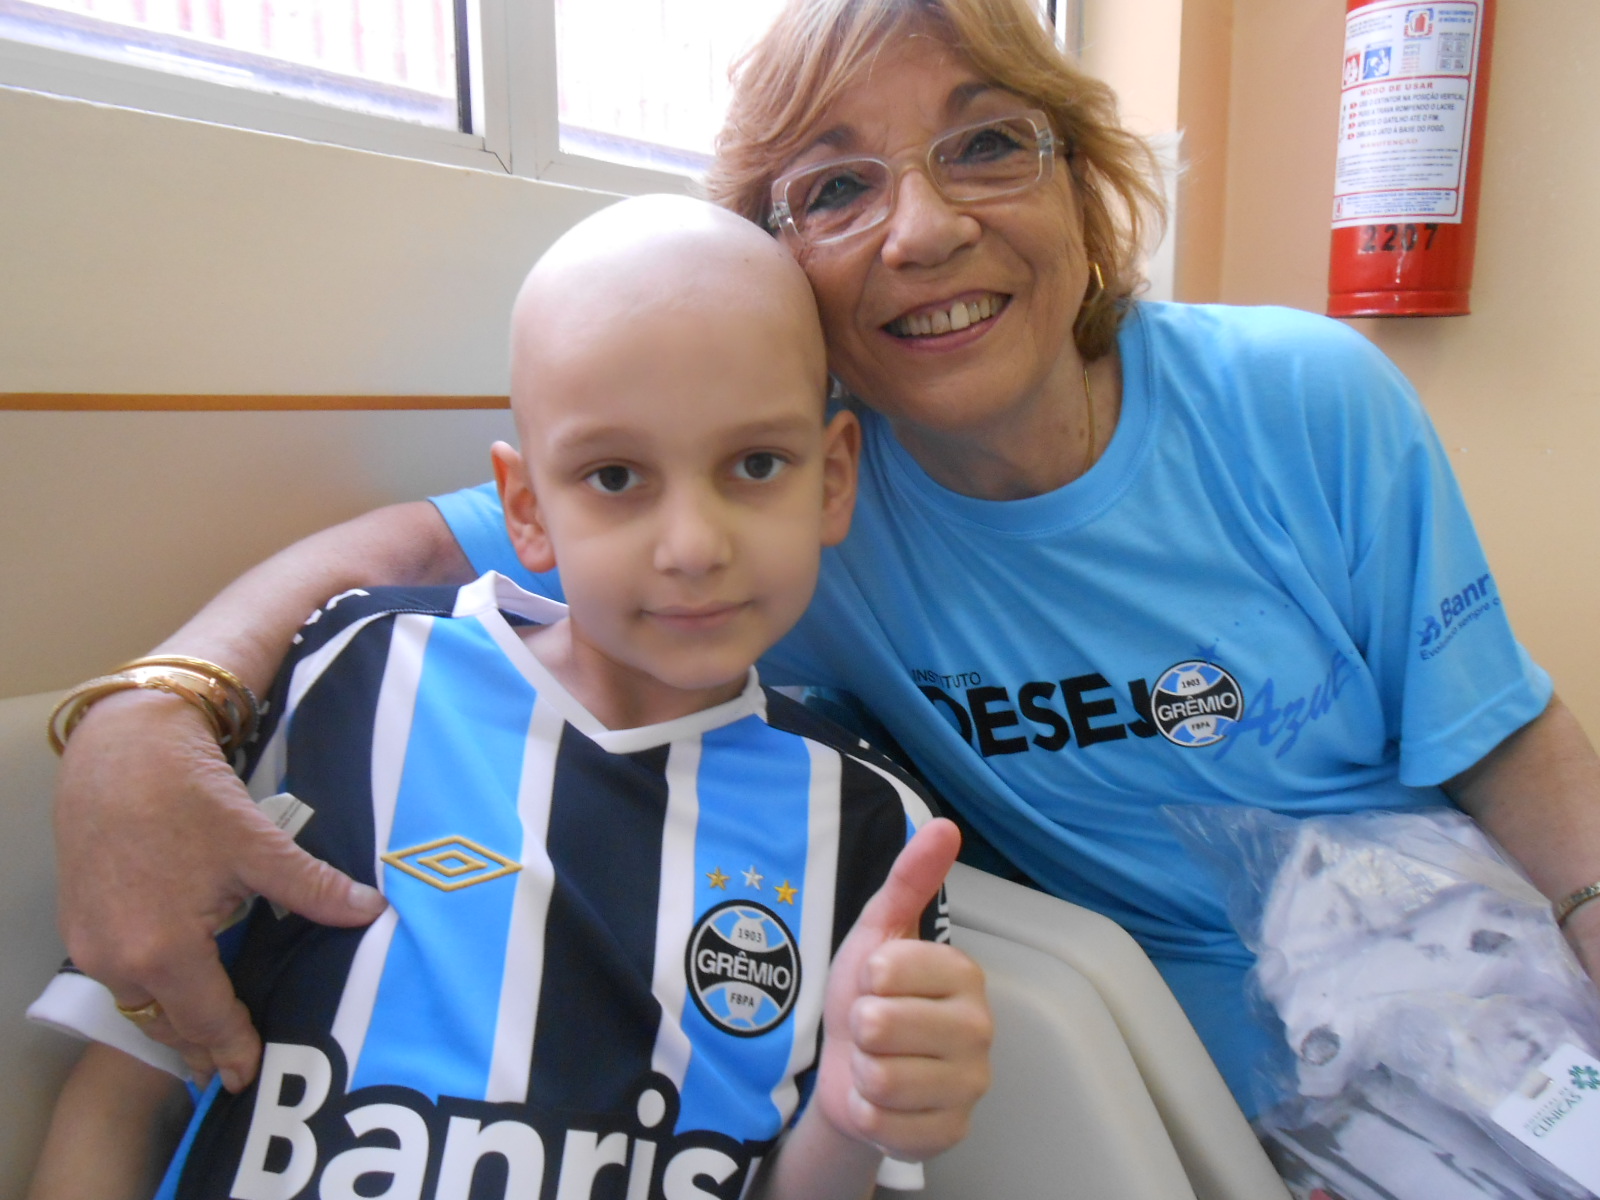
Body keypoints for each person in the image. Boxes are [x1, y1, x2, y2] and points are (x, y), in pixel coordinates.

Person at [49, 0, 1600, 1154]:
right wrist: (144, 716)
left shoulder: (1308, 400)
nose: (926, 227)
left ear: (1084, 180)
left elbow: (1501, 730)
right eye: (837, 187)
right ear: (784, 274)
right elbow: (418, 549)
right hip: (1201, 1078)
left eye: (990, 141)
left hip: (1479, 980)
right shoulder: (784, 514)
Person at [28, 195, 991, 1200]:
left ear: (832, 479)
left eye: (756, 464)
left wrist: (849, 1119)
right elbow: (126, 1077)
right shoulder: (344, 670)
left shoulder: (875, 829)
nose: (695, 546)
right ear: (527, 507)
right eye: (616, 475)